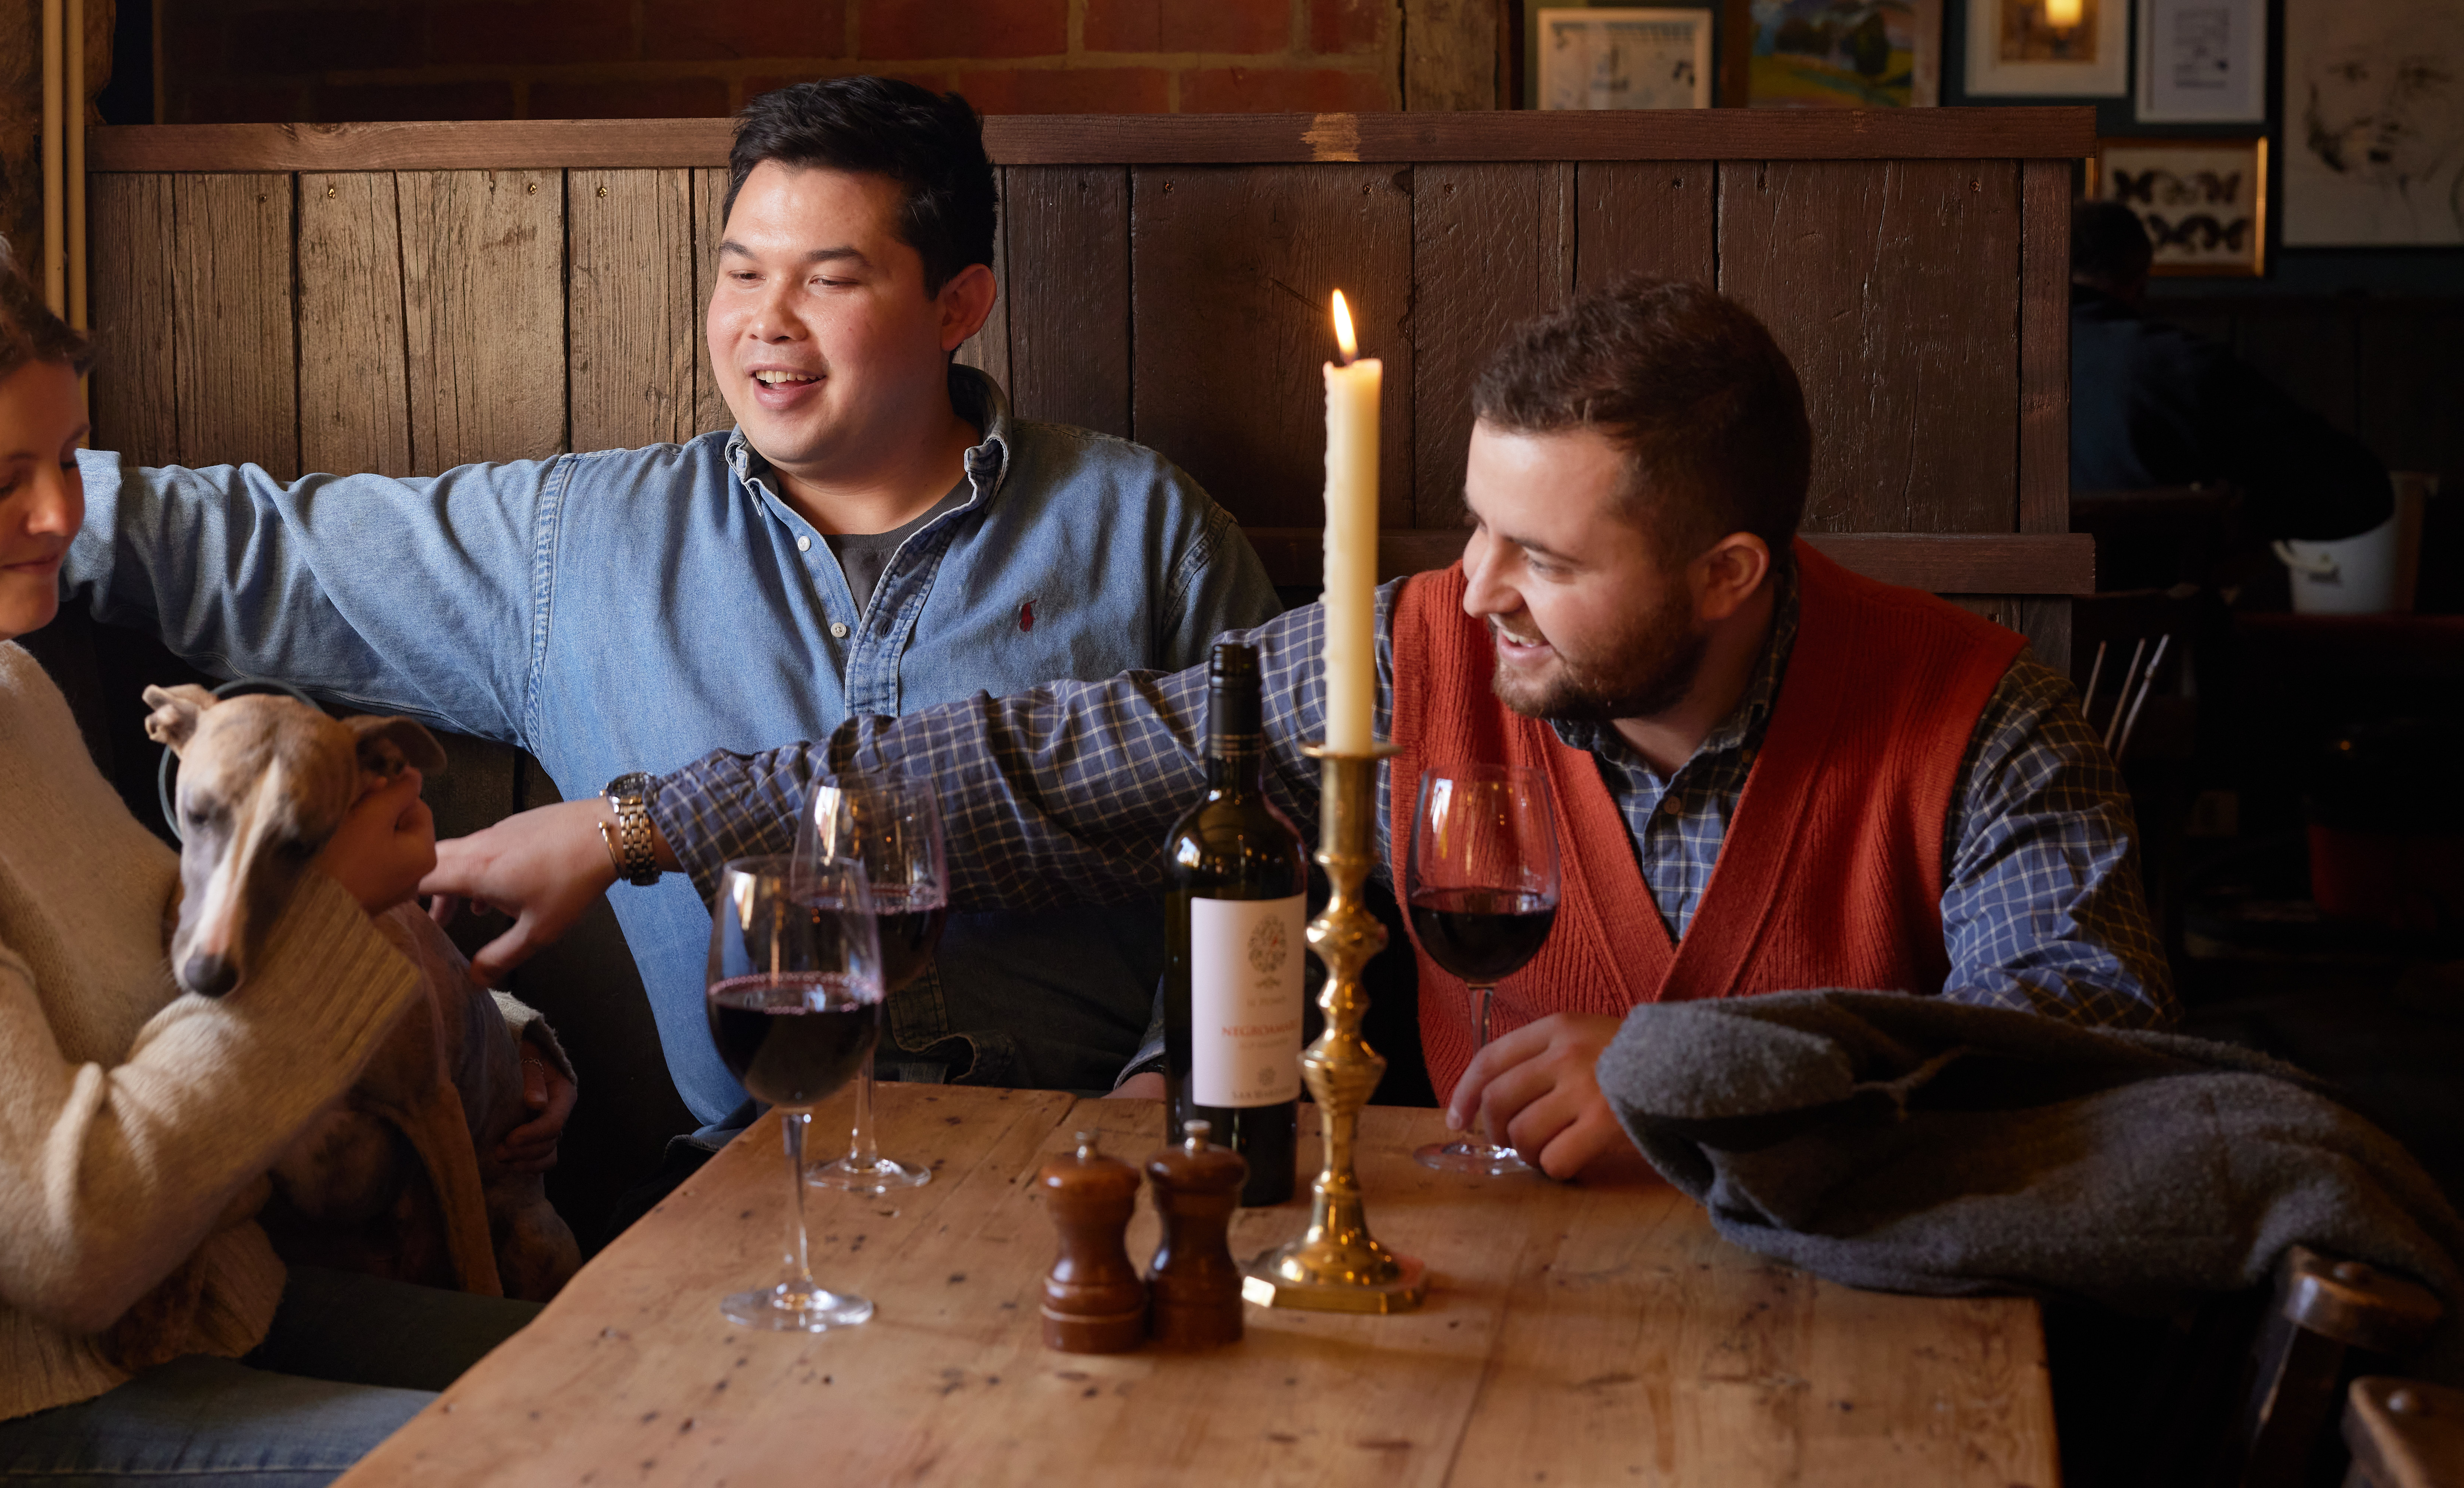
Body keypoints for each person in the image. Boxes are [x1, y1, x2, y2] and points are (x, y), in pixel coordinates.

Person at [0, 78, 1278, 1139]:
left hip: (1101, 1157)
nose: (764, 323)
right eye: (737, 270)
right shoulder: (576, 542)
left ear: (958, 300)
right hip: (737, 1184)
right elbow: (264, 544)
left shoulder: (1139, 525)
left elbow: (1270, 849)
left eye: (831, 277)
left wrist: (1166, 1096)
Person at [420, 278, 2178, 1181]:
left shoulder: (1984, 723)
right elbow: (1031, 769)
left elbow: (2081, 1063)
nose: (1474, 589)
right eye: (1474, 526)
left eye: (1545, 560)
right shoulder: (1414, 655)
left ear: (1727, 572)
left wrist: (1699, 1080)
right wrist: (635, 820)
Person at [0, 215, 539, 1488]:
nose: (62, 513)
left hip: (191, 1309)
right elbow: (70, 1238)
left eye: (69, 458)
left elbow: (143, 1009)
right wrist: (326, 916)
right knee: (581, 1450)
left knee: (645, 1363)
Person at [2070, 198, 2395, 542]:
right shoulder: (2178, 367)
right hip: (2151, 591)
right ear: (2140, 285)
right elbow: (2362, 494)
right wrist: (2231, 520)